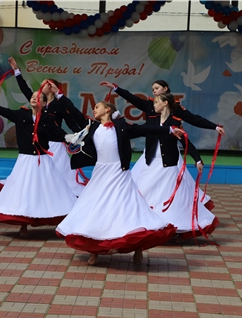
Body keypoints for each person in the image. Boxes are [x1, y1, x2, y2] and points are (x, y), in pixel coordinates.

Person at [57, 100, 180, 266]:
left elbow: (144, 129)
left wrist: (169, 129)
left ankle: (137, 248)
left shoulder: (121, 125)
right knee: (96, 207)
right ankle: (95, 250)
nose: (94, 110)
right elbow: (74, 114)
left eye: (97, 107)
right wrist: (59, 96)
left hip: (119, 172)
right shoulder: (92, 126)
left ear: (108, 109)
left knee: (127, 208)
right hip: (101, 172)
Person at [100, 80, 224, 210]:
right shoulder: (150, 106)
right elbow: (133, 99)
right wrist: (115, 88)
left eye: (157, 88)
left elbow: (194, 120)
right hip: (151, 151)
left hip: (169, 152)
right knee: (142, 184)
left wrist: (214, 127)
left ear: (165, 89)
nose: (154, 90)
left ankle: (178, 209)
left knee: (176, 185)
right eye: (152, 88)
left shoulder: (175, 109)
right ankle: (142, 209)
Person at [0, 87, 76, 237]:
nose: (34, 98)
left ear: (44, 103)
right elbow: (3, 110)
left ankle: (58, 219)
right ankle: (23, 224)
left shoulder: (47, 119)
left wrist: (70, 138)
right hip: (25, 161)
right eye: (32, 96)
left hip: (43, 161)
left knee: (47, 191)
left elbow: (58, 134)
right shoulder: (21, 115)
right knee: (24, 191)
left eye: (38, 98)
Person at [130, 93, 218, 241]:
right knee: (142, 194)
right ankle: (147, 225)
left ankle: (171, 228)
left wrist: (197, 160)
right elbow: (139, 131)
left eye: (157, 102)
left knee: (168, 199)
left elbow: (185, 142)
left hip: (168, 166)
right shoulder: (151, 120)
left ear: (165, 103)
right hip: (151, 164)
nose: (154, 105)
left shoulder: (175, 123)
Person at [8, 57, 85, 196]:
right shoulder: (37, 101)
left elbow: (70, 121)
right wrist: (17, 71)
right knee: (40, 174)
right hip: (40, 142)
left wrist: (79, 136)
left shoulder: (59, 104)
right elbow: (25, 89)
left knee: (60, 174)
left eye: (44, 84)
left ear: (50, 87)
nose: (40, 86)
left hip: (55, 144)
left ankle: (62, 195)